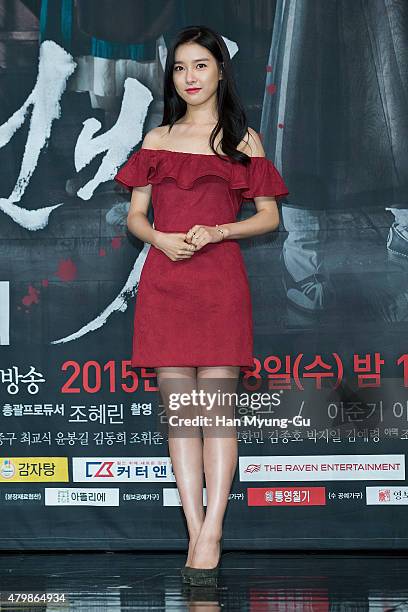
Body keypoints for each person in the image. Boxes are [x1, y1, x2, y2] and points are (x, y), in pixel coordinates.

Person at [114, 25, 289, 587]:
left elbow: (270, 217)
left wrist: (217, 232)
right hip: (166, 282)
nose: (189, 77)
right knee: (182, 419)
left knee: (216, 415)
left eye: (200, 67)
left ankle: (213, 529)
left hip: (218, 284)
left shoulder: (244, 140)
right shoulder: (157, 139)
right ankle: (196, 530)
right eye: (181, 68)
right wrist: (158, 238)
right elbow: (135, 216)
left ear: (220, 73)